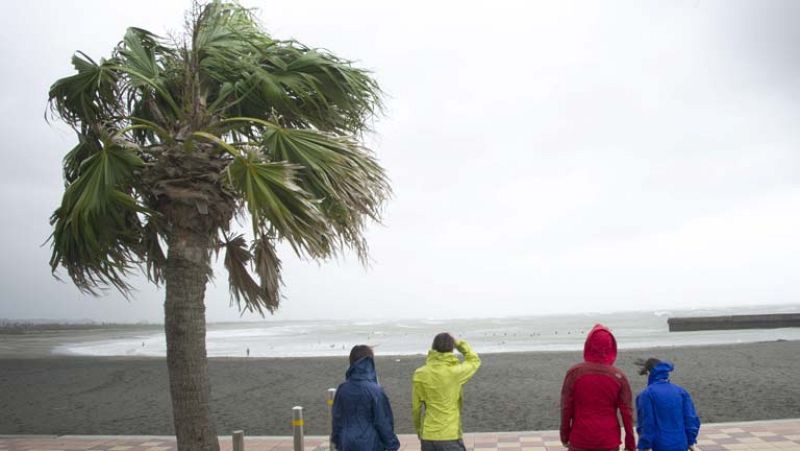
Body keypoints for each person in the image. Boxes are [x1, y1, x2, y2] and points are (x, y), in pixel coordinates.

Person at [560, 324, 635, 451]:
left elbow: (566, 408)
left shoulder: (574, 373)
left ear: (588, 345)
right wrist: (630, 443)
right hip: (608, 439)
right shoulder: (619, 376)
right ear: (611, 347)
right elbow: (627, 413)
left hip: (580, 438)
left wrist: (565, 435)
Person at [412, 333, 481, 451]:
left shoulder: (420, 373)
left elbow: (416, 409)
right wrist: (459, 343)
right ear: (451, 348)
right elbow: (474, 360)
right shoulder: (455, 372)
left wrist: (419, 431)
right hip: (450, 435)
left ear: (433, 347)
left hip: (428, 435)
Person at [331, 345, 400, 451]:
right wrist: (392, 445)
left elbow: (337, 419)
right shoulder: (375, 391)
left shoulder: (342, 389)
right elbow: (382, 422)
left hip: (347, 443)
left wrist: (338, 442)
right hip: (370, 444)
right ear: (370, 362)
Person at [635, 358, 701, 451]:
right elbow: (691, 418)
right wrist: (690, 441)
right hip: (681, 442)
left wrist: (645, 445)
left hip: (659, 444)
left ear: (649, 373)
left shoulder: (646, 394)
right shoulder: (681, 391)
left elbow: (647, 423)